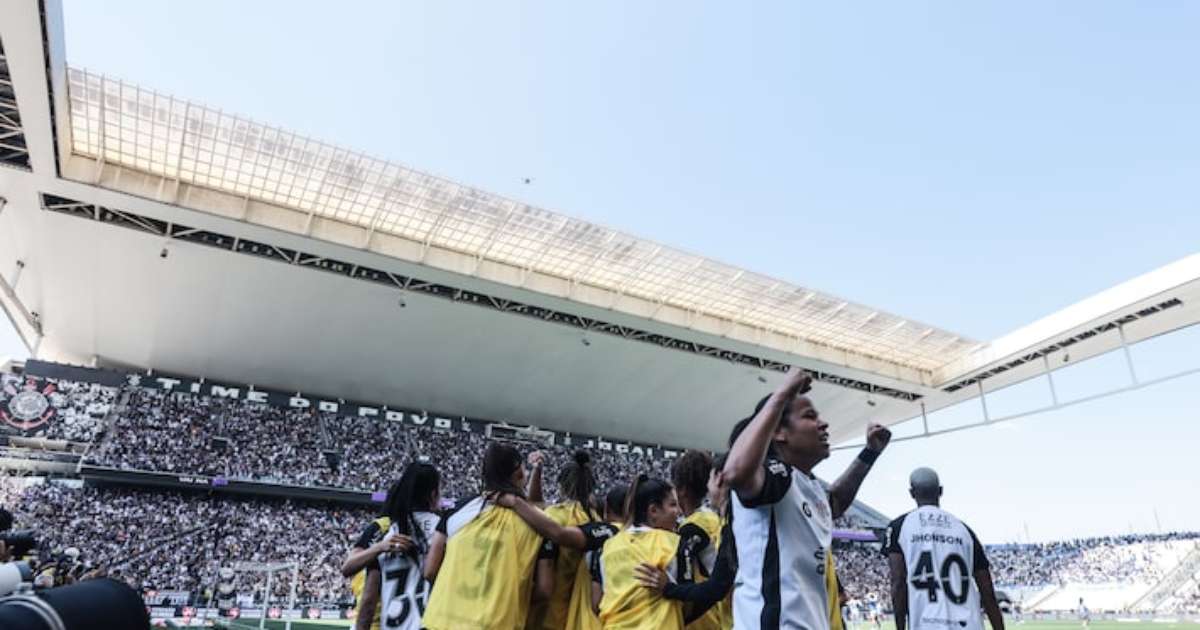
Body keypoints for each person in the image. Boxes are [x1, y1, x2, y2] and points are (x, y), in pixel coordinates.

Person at [723, 367, 892, 630]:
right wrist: (782, 394)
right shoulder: (773, 476)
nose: (823, 423)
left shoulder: (805, 482)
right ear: (779, 433)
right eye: (810, 416)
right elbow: (735, 473)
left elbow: (832, 503)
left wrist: (869, 453)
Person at [421, 443, 554, 630]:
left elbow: (430, 570)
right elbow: (544, 589)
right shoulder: (537, 523)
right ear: (519, 474)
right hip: (496, 623)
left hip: (441, 619)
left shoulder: (457, 509)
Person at [885, 467, 1004, 630]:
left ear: (912, 493)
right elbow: (987, 591)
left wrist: (900, 627)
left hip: (927, 624)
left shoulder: (899, 527)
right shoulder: (964, 530)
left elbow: (898, 582)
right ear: (940, 491)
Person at [341, 462, 441, 630]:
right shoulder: (443, 531)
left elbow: (368, 600)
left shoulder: (388, 531)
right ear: (433, 494)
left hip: (387, 621)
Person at [594, 474, 691, 630]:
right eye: (673, 505)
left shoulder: (608, 547)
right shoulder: (674, 544)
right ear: (653, 510)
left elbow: (599, 600)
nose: (678, 511)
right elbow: (689, 602)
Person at [527, 450, 603, 630]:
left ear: (561, 486)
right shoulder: (598, 523)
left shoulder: (554, 516)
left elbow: (534, 504)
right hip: (581, 616)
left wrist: (537, 469)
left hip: (548, 615)